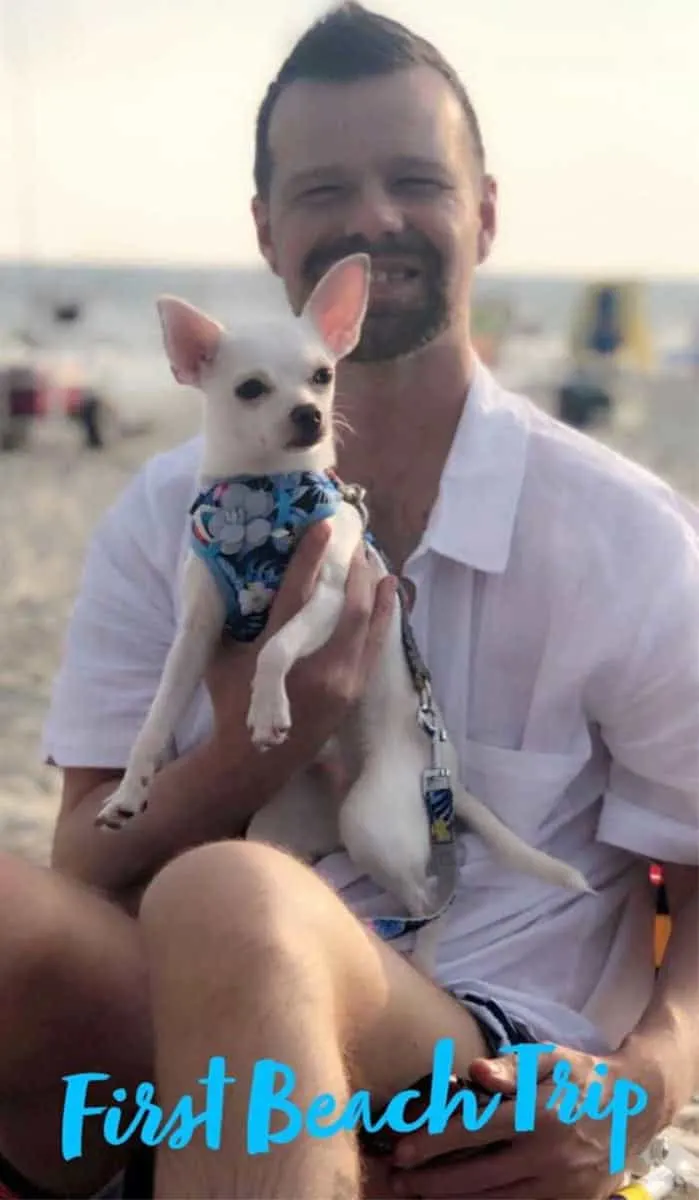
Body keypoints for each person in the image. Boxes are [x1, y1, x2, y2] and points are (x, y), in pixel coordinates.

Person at [1, 4, 697, 1198]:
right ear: (271, 231)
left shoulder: (623, 536)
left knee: (234, 896)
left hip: (477, 1067)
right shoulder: (166, 521)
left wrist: (643, 1089)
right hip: (206, 1037)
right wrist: (258, 745)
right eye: (326, 189)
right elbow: (84, 863)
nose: (374, 216)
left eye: (415, 178)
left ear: (485, 209)